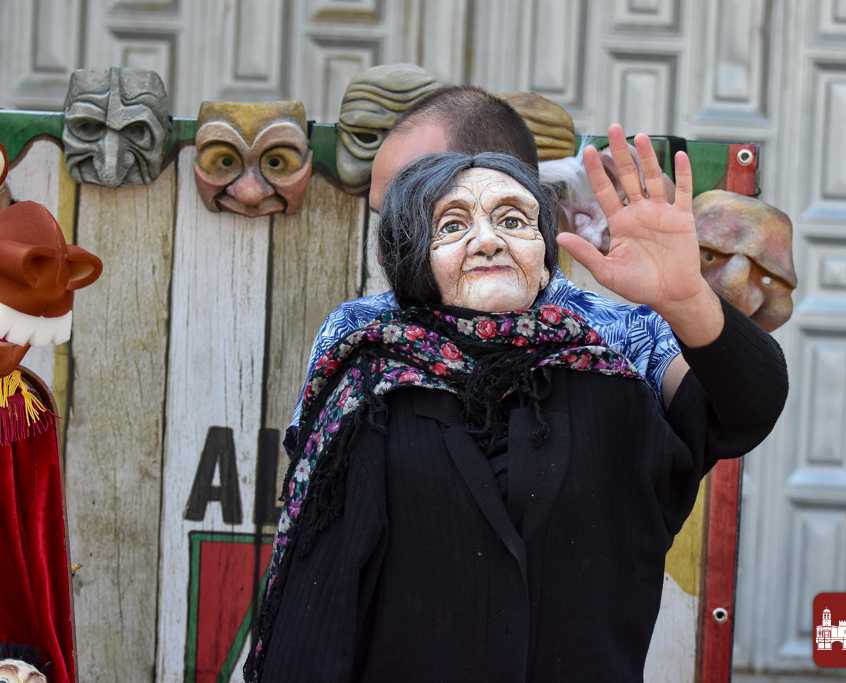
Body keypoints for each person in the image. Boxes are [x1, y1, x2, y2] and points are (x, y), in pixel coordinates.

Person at [245, 130, 787, 681]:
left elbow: (744, 411)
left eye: (512, 220)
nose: (489, 241)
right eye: (451, 226)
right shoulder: (371, 391)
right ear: (413, 260)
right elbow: (317, 613)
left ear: (545, 257)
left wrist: (686, 297)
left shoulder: (613, 383)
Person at [286, 86, 690, 458]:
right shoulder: (358, 329)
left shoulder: (627, 334)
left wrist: (691, 301)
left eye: (410, 212)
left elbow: (716, 422)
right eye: (384, 220)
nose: (386, 252)